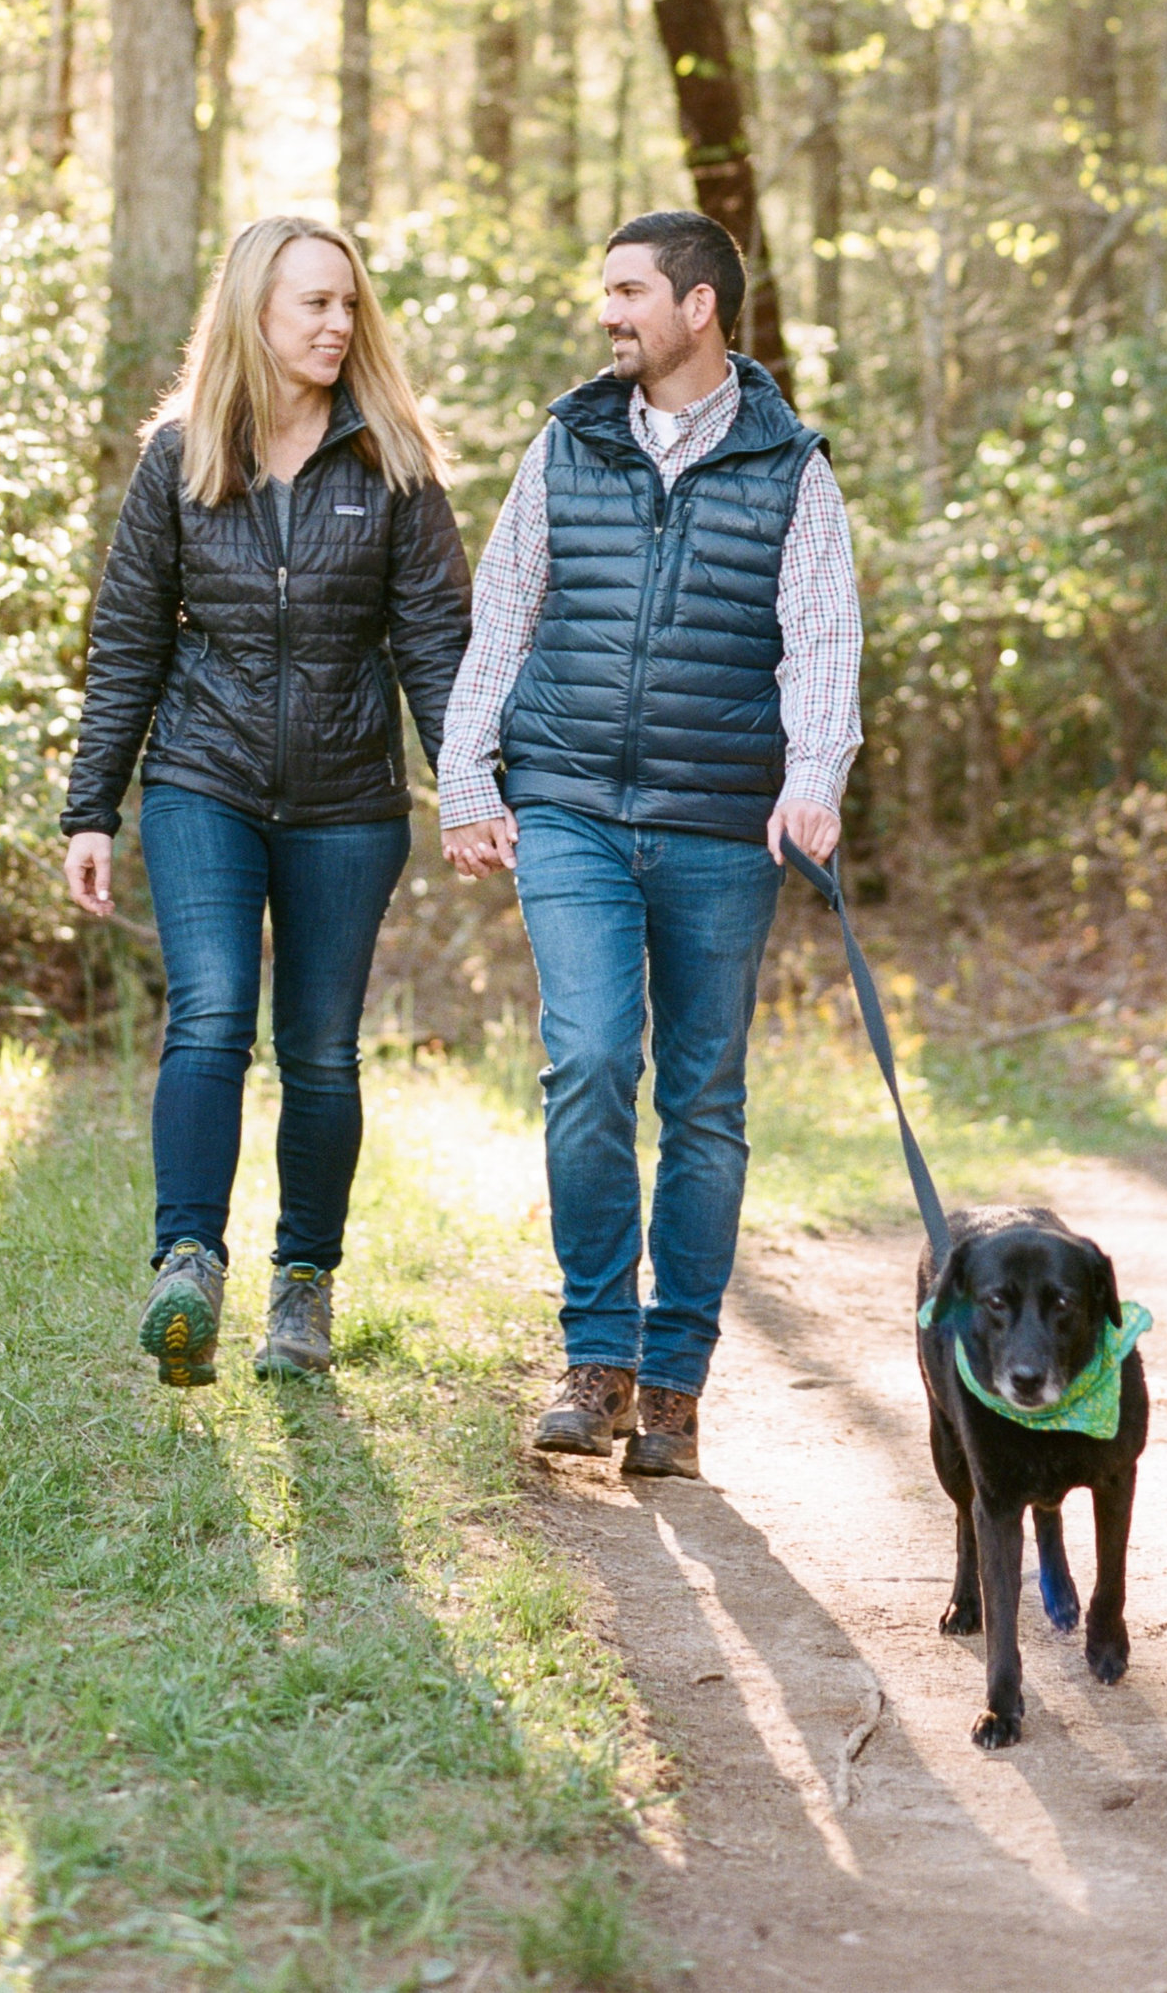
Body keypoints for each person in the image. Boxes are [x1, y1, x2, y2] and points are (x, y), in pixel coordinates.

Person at [437, 208, 862, 1479]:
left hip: (721, 826)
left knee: (704, 1103)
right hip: (566, 804)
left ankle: (671, 1385)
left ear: (698, 309)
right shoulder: (568, 441)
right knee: (585, 1061)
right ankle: (595, 1357)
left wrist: (813, 777)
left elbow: (823, 638)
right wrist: (466, 773)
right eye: (606, 292)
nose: (608, 314)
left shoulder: (792, 465)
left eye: (629, 292)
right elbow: (502, 608)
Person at [63, 215, 470, 1388]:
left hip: (349, 802)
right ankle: (187, 1264)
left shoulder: (392, 461)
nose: (338, 326)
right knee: (210, 1017)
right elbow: (127, 642)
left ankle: (304, 1289)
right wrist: (91, 809)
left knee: (323, 1054)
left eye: (349, 306)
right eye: (314, 305)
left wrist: (471, 792)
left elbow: (438, 643)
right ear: (253, 311)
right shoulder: (182, 456)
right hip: (204, 783)